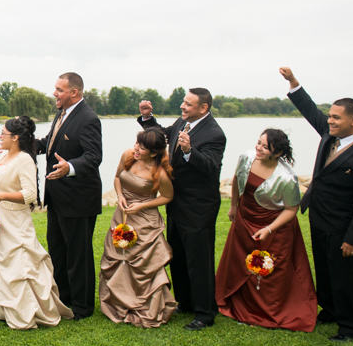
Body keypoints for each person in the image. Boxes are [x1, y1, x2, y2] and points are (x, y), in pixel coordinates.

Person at [281, 67, 353, 342]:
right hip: (319, 218)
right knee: (326, 271)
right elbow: (310, 112)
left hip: (344, 227)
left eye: (335, 118)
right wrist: (294, 83)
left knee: (345, 278)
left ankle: (351, 327)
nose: (329, 121)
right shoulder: (332, 135)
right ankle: (329, 310)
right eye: (329, 116)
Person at [0, 116, 72, 329]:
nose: (0, 136)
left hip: (14, 221)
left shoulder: (25, 160)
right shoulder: (6, 155)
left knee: (18, 263)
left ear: (15, 137)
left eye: (3, 133)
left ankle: (25, 310)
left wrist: (2, 195)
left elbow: (31, 194)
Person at [138, 87, 226, 330]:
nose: (182, 107)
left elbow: (209, 166)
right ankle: (186, 301)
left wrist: (189, 151)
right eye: (183, 103)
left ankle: (205, 312)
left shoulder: (215, 134)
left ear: (203, 108)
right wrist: (148, 120)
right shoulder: (183, 122)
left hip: (199, 207)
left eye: (188, 104)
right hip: (176, 203)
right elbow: (162, 135)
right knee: (178, 256)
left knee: (199, 260)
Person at [215, 129, 316, 331]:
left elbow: (291, 209)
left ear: (277, 153)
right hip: (245, 219)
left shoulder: (287, 178)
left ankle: (268, 311)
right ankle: (239, 303)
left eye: (265, 147)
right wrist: (234, 206)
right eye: (258, 143)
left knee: (268, 269)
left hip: (274, 226)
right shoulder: (246, 157)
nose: (258, 148)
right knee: (240, 261)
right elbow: (236, 180)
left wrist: (269, 229)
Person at [33, 72, 102, 321]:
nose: (55, 93)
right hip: (57, 197)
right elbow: (49, 143)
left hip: (79, 199)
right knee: (58, 251)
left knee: (78, 254)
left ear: (75, 92)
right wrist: (18, 143)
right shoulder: (62, 114)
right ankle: (64, 299)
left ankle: (83, 308)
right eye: (55, 89)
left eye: (59, 90)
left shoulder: (89, 118)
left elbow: (94, 157)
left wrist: (70, 167)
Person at [98, 127, 177, 328]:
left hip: (145, 220)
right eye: (136, 144)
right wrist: (120, 195)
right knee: (118, 258)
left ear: (154, 152)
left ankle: (146, 306)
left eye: (141, 148)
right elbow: (117, 178)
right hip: (123, 214)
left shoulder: (159, 172)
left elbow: (167, 197)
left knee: (144, 263)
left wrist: (142, 205)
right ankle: (118, 303)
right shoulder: (128, 156)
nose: (136, 149)